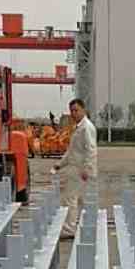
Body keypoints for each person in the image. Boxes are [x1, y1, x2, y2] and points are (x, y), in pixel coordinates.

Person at [56, 97, 97, 238]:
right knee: (75, 199)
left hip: (80, 170)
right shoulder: (78, 127)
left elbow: (91, 150)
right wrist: (60, 164)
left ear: (83, 110)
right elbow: (71, 151)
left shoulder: (87, 128)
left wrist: (87, 168)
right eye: (71, 111)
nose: (73, 113)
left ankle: (69, 229)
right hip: (75, 169)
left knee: (70, 199)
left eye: (76, 110)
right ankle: (75, 227)